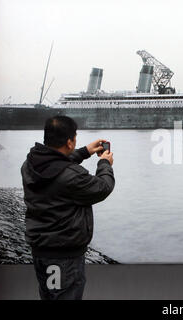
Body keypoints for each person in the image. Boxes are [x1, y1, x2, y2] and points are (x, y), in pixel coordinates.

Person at [21, 116, 115, 300]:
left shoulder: (30, 165)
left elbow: (55, 166)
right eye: (75, 138)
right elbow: (103, 188)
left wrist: (84, 151)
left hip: (42, 251)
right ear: (69, 142)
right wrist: (105, 164)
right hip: (64, 258)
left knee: (50, 296)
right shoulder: (71, 177)